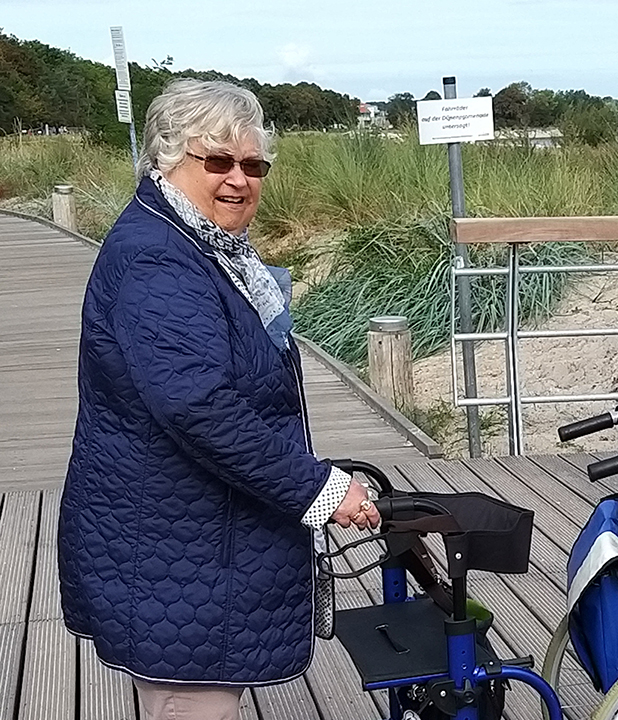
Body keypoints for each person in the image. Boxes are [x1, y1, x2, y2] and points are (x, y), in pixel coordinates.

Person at [57, 79, 379, 720]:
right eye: (219, 162)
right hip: (174, 553)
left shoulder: (194, 244)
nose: (240, 179)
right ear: (167, 160)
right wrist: (318, 491)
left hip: (185, 540)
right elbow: (198, 404)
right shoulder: (161, 263)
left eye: (253, 165)